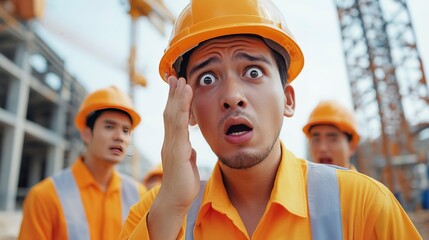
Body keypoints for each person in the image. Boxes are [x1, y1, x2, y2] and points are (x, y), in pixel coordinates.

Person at [120, 0, 421, 239]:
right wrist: (171, 207)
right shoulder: (153, 215)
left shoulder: (364, 205)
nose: (232, 96)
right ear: (188, 110)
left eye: (253, 71)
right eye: (208, 78)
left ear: (288, 99)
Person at [19, 86, 147, 240]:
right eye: (109, 126)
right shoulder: (44, 197)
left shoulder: (138, 194)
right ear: (86, 134)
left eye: (126, 130)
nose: (119, 137)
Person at [302, 100, 360, 170]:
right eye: (316, 140)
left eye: (332, 140)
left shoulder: (363, 181)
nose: (322, 148)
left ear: (351, 146)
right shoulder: (300, 180)